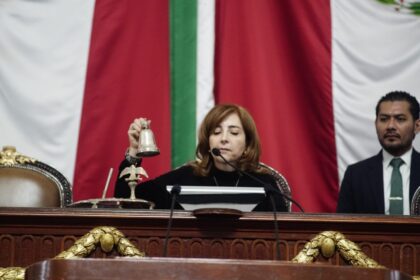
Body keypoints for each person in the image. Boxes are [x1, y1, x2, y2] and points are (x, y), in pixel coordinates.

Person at [114, 104, 288, 212]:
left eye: (234, 132)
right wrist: (134, 150)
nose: (224, 138)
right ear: (208, 141)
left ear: (247, 144)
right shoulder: (184, 178)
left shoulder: (266, 186)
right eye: (216, 132)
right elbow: (125, 201)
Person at [337, 91, 420, 215]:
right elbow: (343, 228)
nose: (390, 126)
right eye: (384, 119)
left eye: (400, 119)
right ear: (376, 124)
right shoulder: (355, 175)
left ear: (417, 125)